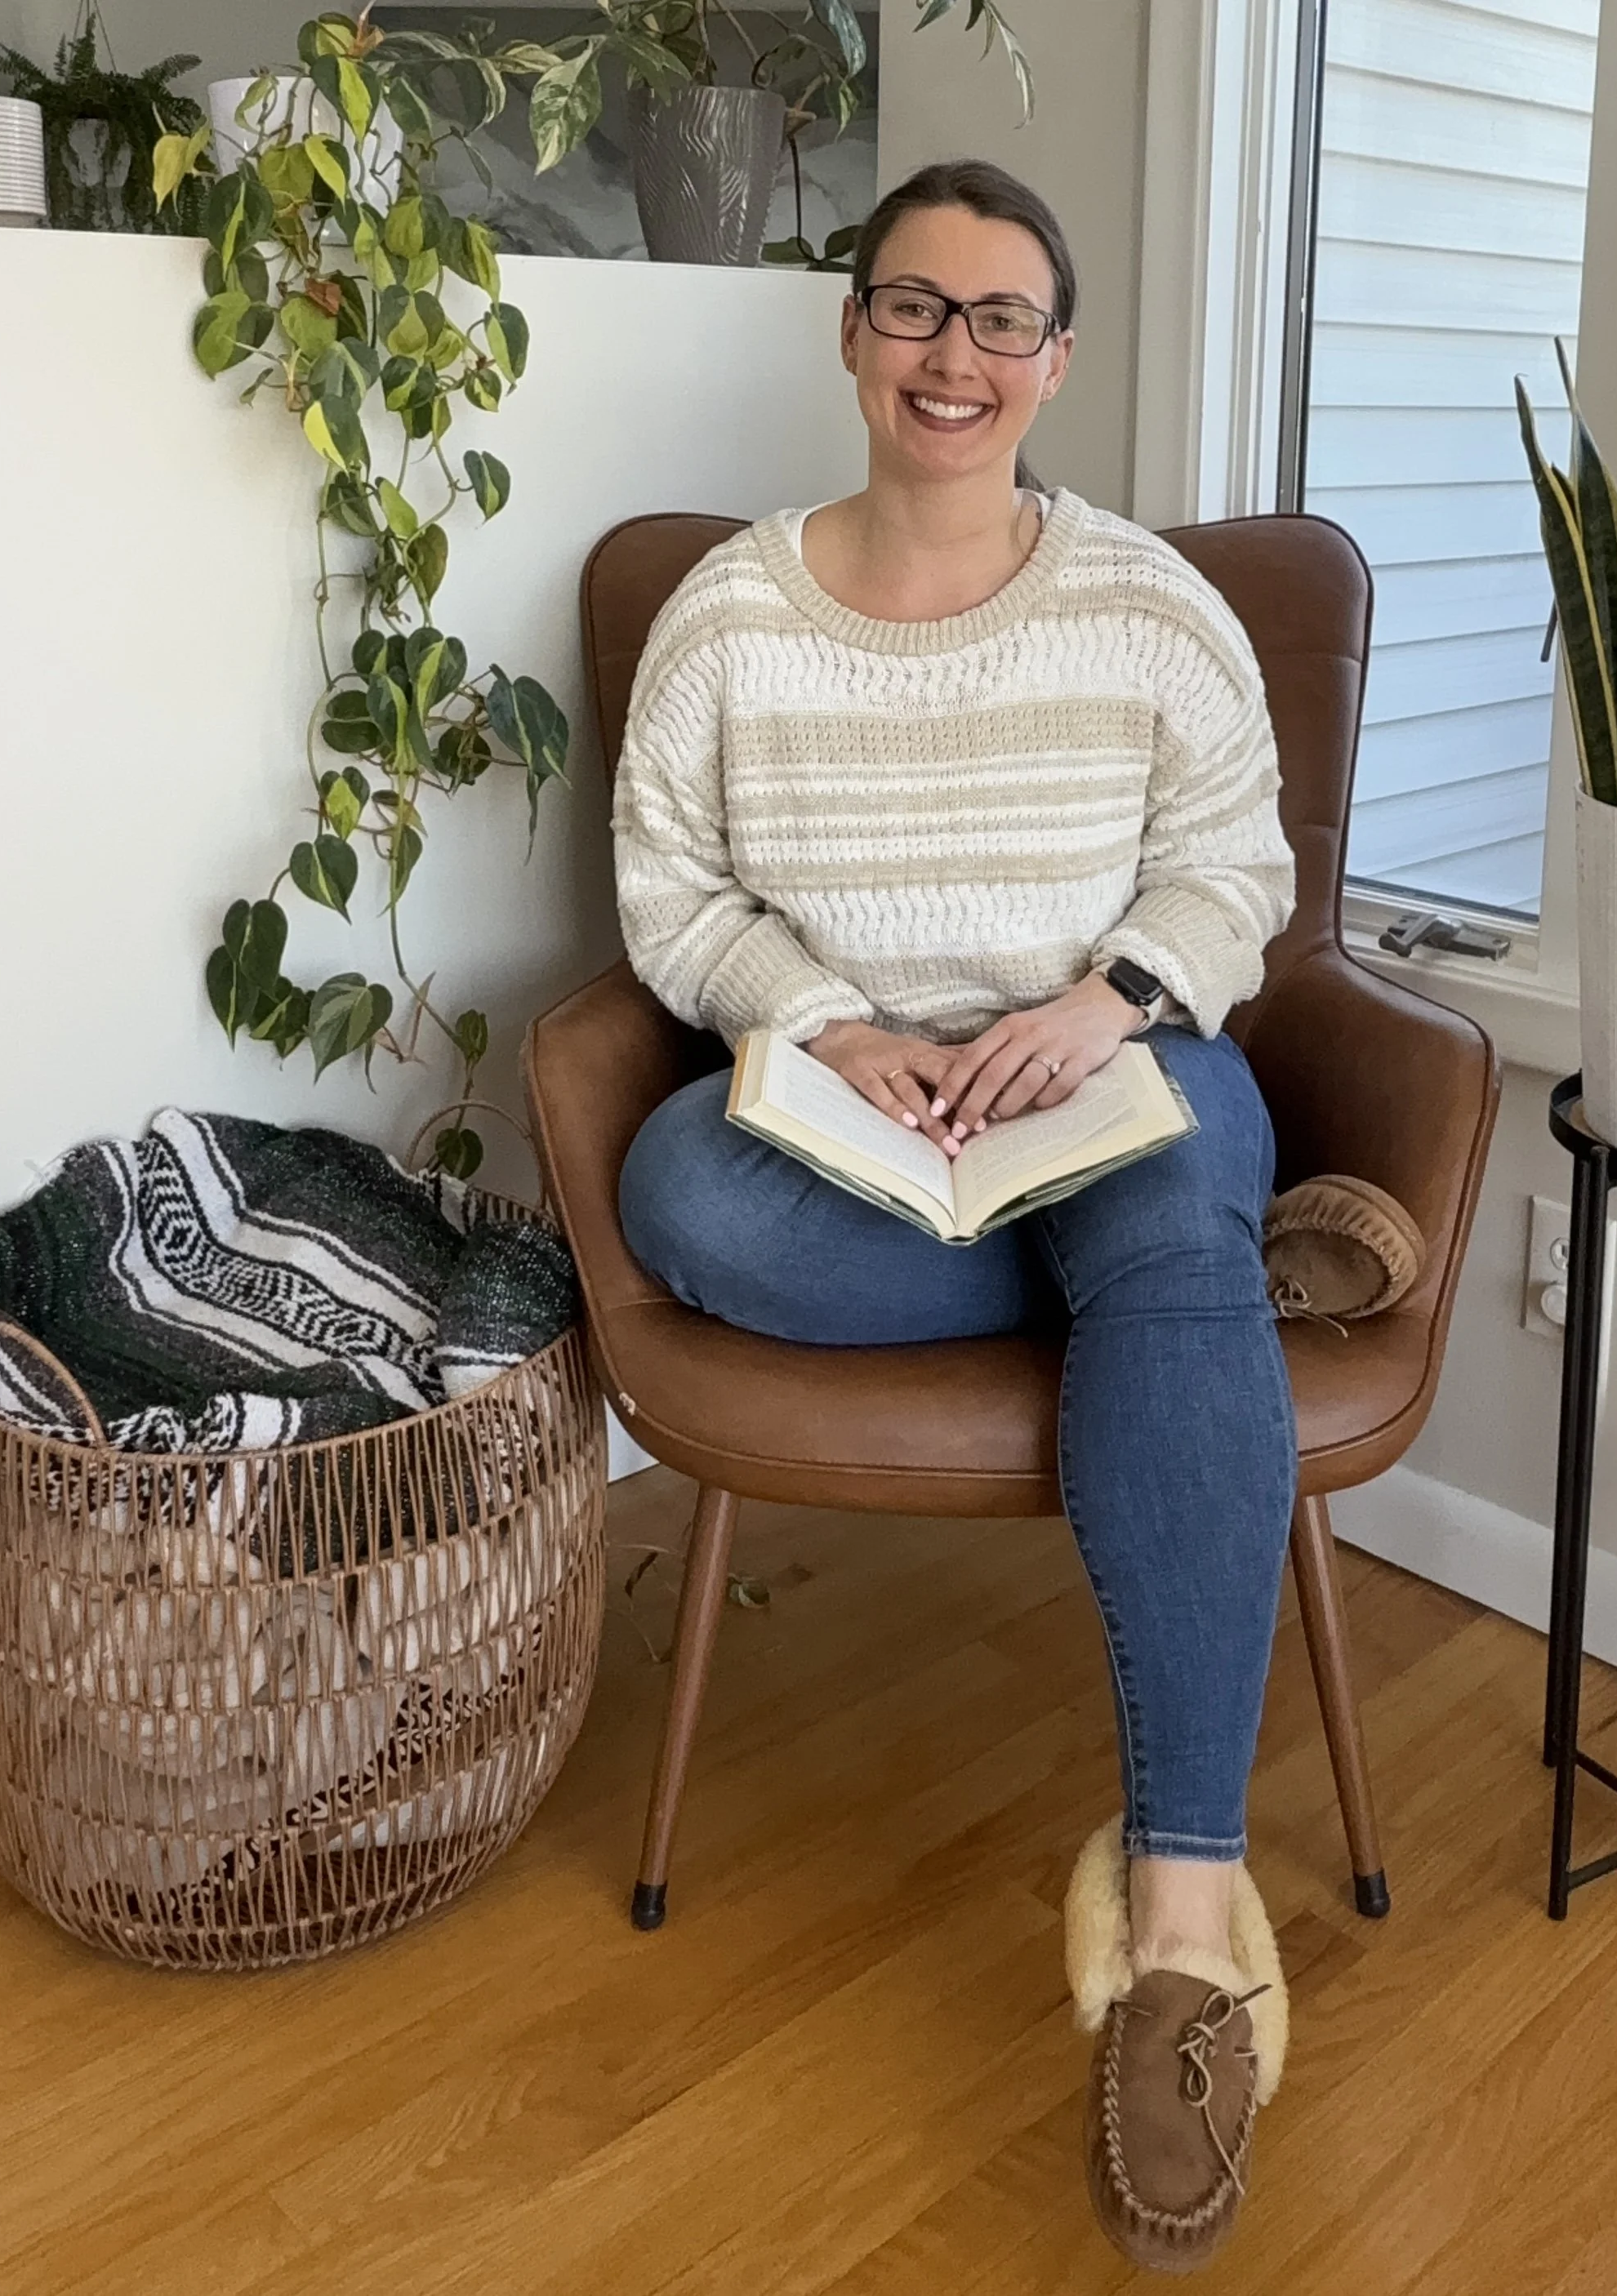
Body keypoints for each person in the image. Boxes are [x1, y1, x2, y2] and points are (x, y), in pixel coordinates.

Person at [612, 158, 1298, 2274]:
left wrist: (1100, 1005)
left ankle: (1181, 1906)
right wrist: (818, 1025)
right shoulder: (727, 613)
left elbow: (1235, 868)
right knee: (673, 1198)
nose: (954, 355)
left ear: (1055, 362)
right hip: (848, 1117)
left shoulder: (1150, 606)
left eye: (1001, 319)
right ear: (850, 335)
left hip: (1117, 1067)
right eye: (915, 308)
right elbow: (669, 893)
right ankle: (1181, 1300)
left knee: (1163, 1185)